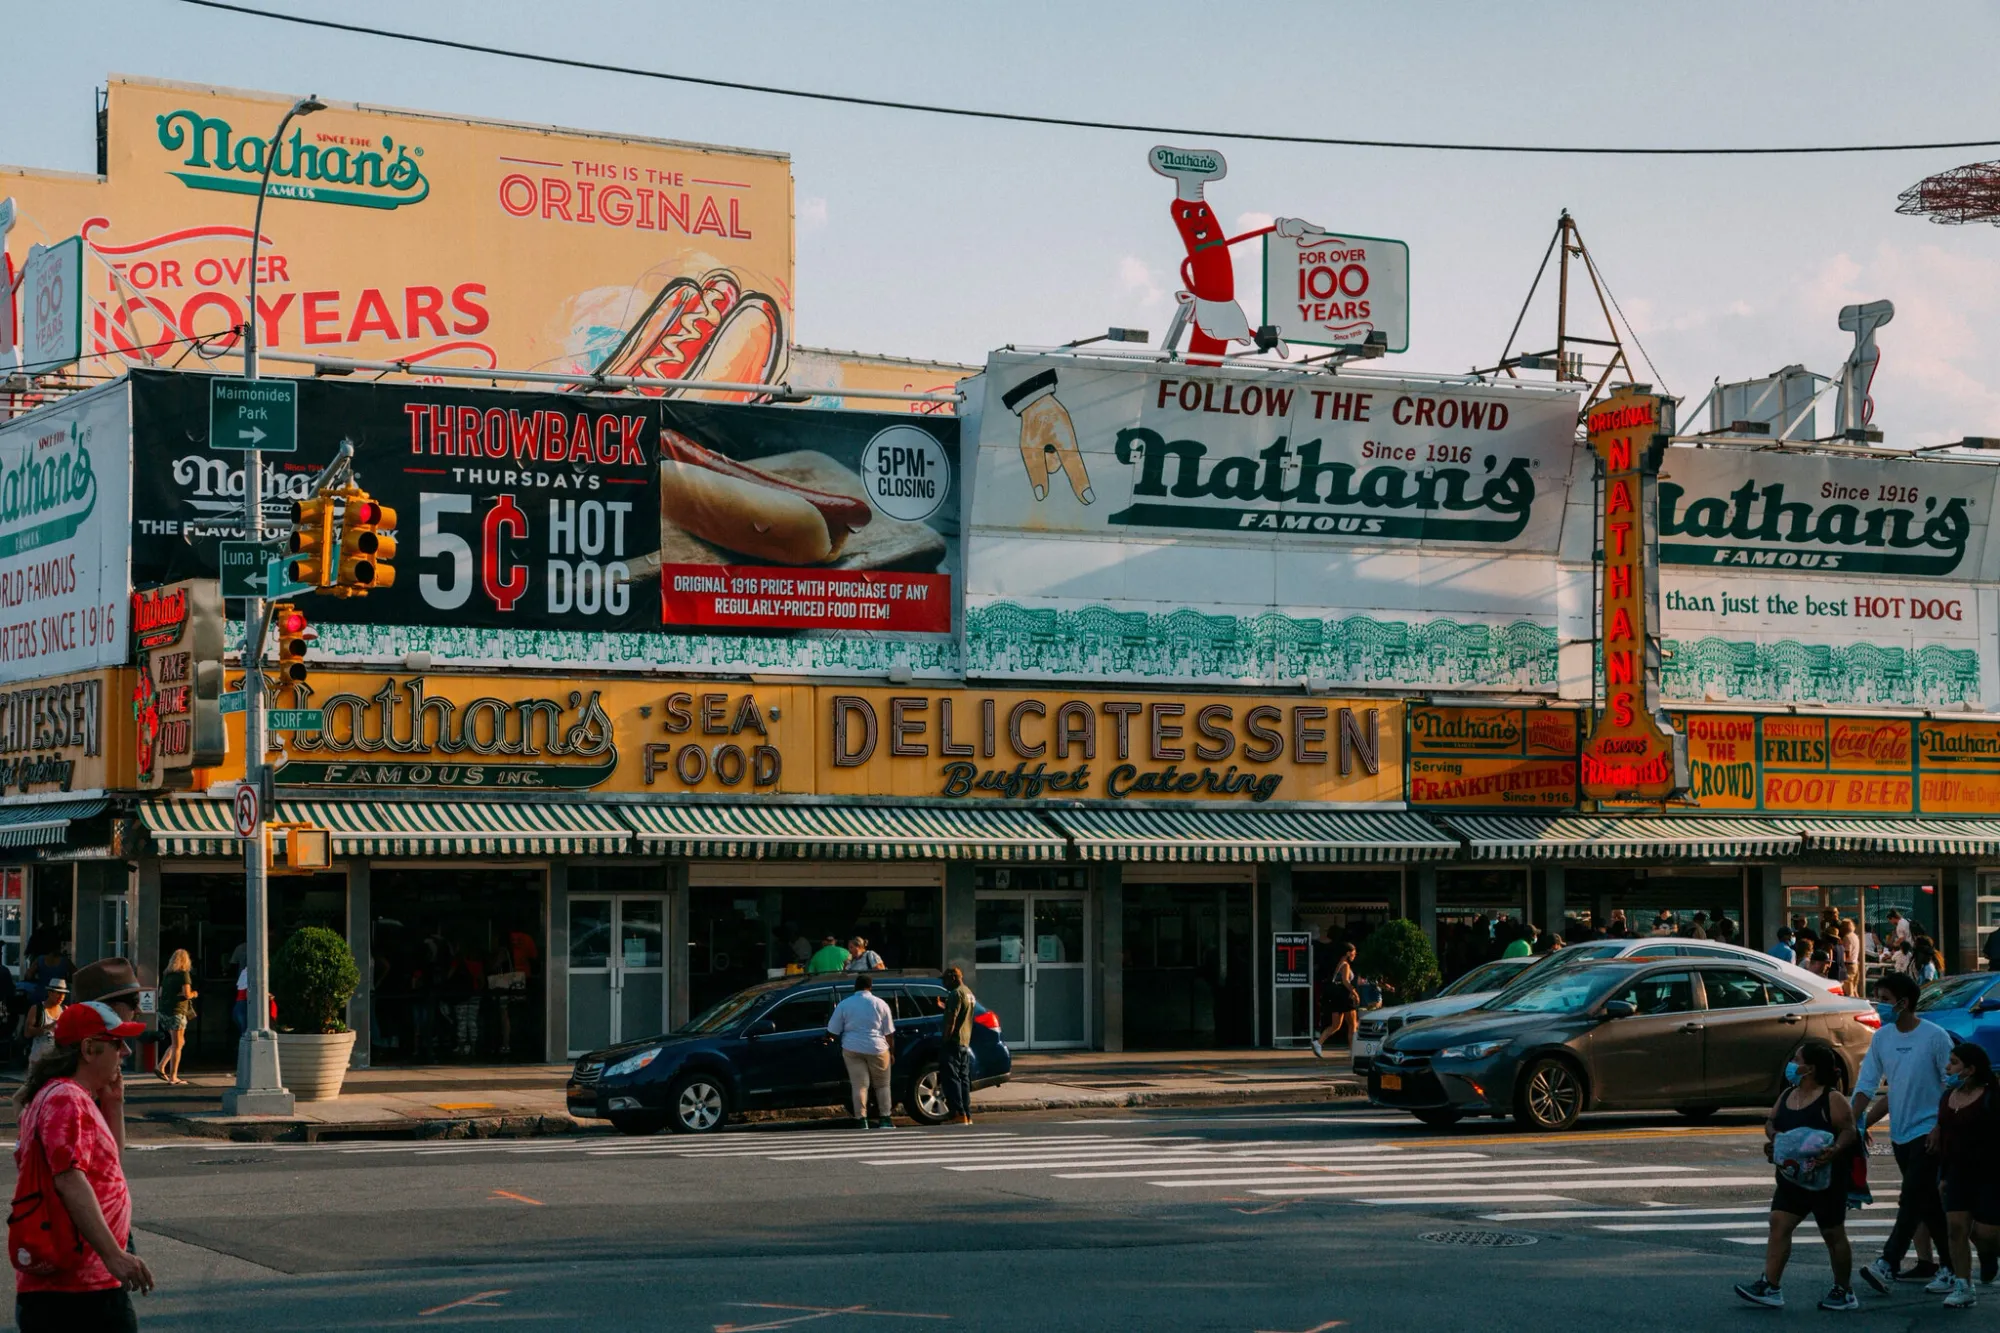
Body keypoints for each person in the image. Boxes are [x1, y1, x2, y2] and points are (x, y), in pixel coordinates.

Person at [10, 1000, 155, 1330]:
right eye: (117, 1044)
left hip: (79, 1284)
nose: (126, 1053)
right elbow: (69, 1179)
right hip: (79, 1290)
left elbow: (108, 1168)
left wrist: (113, 1105)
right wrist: (114, 1255)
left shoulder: (65, 1095)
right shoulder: (67, 1098)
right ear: (89, 1049)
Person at [1737, 1039, 1862, 1309]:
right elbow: (1772, 1122)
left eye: (1797, 1060)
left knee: (1832, 1234)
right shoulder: (1787, 1095)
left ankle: (1844, 1291)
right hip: (1791, 1178)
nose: (1792, 1065)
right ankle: (1771, 1286)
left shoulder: (1832, 1099)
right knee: (1779, 1222)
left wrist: (1835, 1150)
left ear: (1810, 1069)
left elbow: (1849, 1131)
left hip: (1825, 1181)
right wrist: (1776, 1140)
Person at [1856, 971, 1957, 1296]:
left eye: (1884, 1000)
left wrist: (1941, 1127)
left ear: (1903, 1003)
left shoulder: (1935, 1037)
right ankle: (1952, 1268)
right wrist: (1857, 1123)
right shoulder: (1882, 1038)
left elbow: (1952, 1086)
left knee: (1911, 1198)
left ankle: (1888, 1262)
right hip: (1899, 1133)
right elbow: (1868, 1085)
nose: (1879, 1005)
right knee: (1927, 1204)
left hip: (1929, 1132)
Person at [1931, 1042, 2000, 1308]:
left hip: (1990, 1175)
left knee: (1987, 1234)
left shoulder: (1992, 1097)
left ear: (1970, 1069)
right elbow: (1946, 1138)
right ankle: (1963, 1285)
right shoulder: (1948, 1097)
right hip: (1957, 1173)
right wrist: (1943, 1176)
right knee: (1956, 1228)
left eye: (1954, 1062)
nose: (1948, 1067)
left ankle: (1988, 1254)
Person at [826, 974, 895, 1129]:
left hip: (852, 1048)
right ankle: (885, 1118)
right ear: (870, 987)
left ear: (855, 987)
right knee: (882, 1085)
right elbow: (889, 1033)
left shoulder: (845, 1004)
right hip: (877, 1048)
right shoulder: (880, 1004)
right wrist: (891, 1053)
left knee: (859, 1085)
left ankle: (861, 1120)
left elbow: (832, 1030)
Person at [939, 967, 978, 1125]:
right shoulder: (968, 993)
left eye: (945, 980)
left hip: (954, 1041)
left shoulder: (955, 994)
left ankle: (957, 1113)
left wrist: (945, 1039)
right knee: (963, 1079)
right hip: (965, 1041)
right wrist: (943, 1006)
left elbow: (952, 1019)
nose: (944, 983)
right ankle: (966, 1114)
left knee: (952, 1078)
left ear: (953, 978)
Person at [1311, 942, 1359, 1059]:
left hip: (1336, 998)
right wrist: (1355, 993)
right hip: (1344, 997)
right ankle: (1353, 1051)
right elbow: (1345, 981)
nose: (1354, 955)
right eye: (1353, 953)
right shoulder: (1346, 965)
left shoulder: (1339, 964)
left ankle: (1318, 1042)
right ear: (1348, 953)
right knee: (1352, 1025)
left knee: (1336, 1025)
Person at [157, 950, 196, 1086]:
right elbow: (187, 994)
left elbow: (160, 993)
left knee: (179, 1042)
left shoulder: (167, 974)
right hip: (177, 1012)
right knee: (177, 1045)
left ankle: (160, 1066)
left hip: (164, 1012)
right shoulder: (184, 975)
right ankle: (173, 1077)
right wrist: (195, 993)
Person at [25, 977, 67, 1065]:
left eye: (64, 993)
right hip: (38, 1060)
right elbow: (27, 1033)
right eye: (58, 993)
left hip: (57, 1060)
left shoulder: (65, 1010)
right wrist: (50, 1027)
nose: (62, 997)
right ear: (50, 992)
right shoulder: (37, 1009)